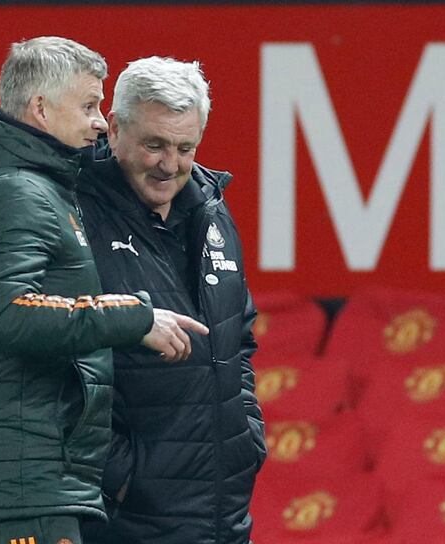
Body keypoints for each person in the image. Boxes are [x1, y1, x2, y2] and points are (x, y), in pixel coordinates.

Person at [0, 38, 208, 544]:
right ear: (40, 108)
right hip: (24, 484)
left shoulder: (36, 187)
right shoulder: (16, 191)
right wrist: (133, 318)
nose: (101, 122)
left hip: (35, 480)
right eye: (88, 106)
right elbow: (10, 312)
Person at [78, 56, 267, 544]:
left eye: (186, 147)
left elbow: (238, 337)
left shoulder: (212, 212)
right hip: (127, 518)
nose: (170, 164)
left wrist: (244, 436)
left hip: (222, 510)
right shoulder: (72, 217)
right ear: (115, 128)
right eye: (154, 145)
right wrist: (121, 476)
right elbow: (49, 361)